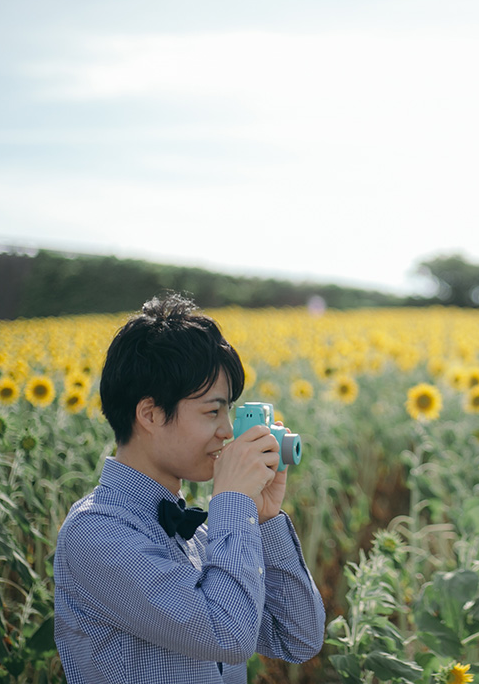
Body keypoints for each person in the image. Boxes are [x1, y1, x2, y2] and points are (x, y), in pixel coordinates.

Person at [54, 292, 325, 683]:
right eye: (212, 411)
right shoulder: (95, 533)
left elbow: (298, 638)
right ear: (150, 414)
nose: (227, 430)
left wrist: (264, 520)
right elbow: (226, 634)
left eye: (228, 411)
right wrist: (231, 502)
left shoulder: (201, 533)